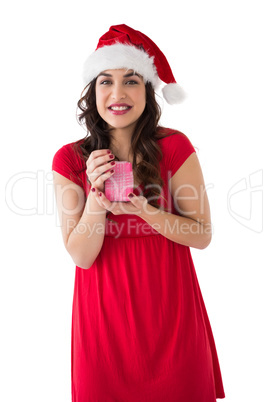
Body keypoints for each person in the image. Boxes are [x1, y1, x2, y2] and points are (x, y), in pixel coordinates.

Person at [52, 24, 225, 401]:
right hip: (103, 332)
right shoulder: (70, 159)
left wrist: (145, 210)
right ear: (92, 91)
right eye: (105, 82)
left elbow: (202, 235)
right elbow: (81, 257)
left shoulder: (175, 147)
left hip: (173, 324)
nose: (117, 94)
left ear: (147, 90)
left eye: (131, 81)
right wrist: (97, 200)